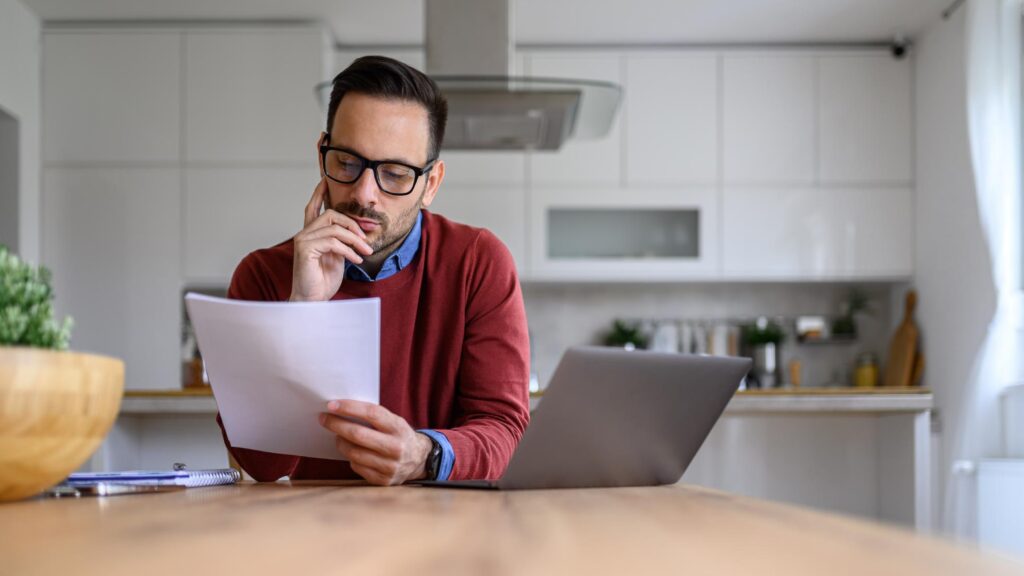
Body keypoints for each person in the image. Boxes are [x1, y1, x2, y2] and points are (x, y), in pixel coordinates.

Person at [218, 56, 530, 486]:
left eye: (395, 174)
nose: (365, 194)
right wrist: (303, 311)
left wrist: (423, 455)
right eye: (346, 163)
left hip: (450, 526)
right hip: (311, 531)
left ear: (431, 184)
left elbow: (505, 430)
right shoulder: (264, 275)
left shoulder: (479, 262)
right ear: (321, 153)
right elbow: (264, 466)